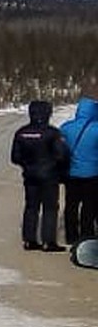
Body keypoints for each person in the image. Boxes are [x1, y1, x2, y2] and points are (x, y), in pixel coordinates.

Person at [10, 100, 70, 251]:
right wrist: (57, 168)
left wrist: (27, 164)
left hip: (30, 175)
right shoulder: (53, 133)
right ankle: (48, 242)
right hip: (49, 175)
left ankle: (29, 240)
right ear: (48, 113)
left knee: (31, 206)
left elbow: (15, 158)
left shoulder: (21, 132)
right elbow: (61, 155)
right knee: (50, 208)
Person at [61, 97, 98, 244]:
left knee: (71, 205)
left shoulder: (66, 127)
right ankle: (86, 236)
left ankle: (71, 237)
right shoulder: (96, 129)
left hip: (71, 174)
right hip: (93, 174)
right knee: (89, 206)